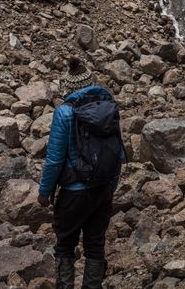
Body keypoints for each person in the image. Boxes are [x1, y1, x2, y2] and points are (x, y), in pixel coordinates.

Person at [38, 57, 126, 289]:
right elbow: (119, 152)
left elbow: (54, 160)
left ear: (68, 86)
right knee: (95, 244)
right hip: (103, 187)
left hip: (74, 190)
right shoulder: (108, 107)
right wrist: (111, 185)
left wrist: (44, 192)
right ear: (90, 82)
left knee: (65, 245)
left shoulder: (65, 112)